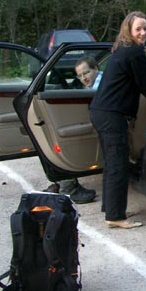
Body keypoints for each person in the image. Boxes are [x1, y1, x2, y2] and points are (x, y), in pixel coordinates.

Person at [89, 11, 146, 229]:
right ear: (129, 31)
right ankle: (115, 216)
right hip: (111, 115)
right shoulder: (134, 52)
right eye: (138, 29)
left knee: (111, 163)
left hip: (101, 112)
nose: (143, 32)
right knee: (117, 164)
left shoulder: (124, 50)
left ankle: (111, 210)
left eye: (145, 28)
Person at [43, 56, 102, 204]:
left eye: (86, 73)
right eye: (80, 75)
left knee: (60, 141)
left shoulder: (100, 84)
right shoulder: (94, 84)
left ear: (96, 69)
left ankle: (67, 186)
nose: (83, 78)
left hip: (105, 125)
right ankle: (64, 182)